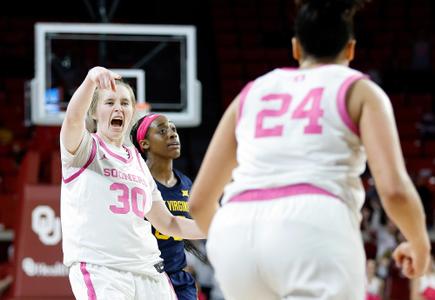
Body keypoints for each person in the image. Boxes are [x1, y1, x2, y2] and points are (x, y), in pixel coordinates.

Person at [189, 0, 431, 299]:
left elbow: (199, 202)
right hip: (314, 225)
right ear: (351, 49)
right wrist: (419, 245)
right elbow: (394, 190)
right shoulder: (359, 89)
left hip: (236, 228)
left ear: (296, 48)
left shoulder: (252, 92)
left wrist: (235, 241)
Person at [60, 66, 205, 300]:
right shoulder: (83, 149)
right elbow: (73, 118)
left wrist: (214, 229)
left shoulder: (137, 160)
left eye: (125, 103)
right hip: (104, 271)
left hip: (150, 271)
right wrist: (90, 80)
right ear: (94, 111)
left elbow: (167, 223)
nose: (118, 107)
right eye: (109, 102)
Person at [130, 113, 198, 300]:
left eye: (174, 129)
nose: (172, 134)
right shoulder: (135, 181)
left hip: (178, 278)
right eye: (162, 131)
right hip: (144, 277)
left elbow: (187, 230)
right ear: (144, 144)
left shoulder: (186, 183)